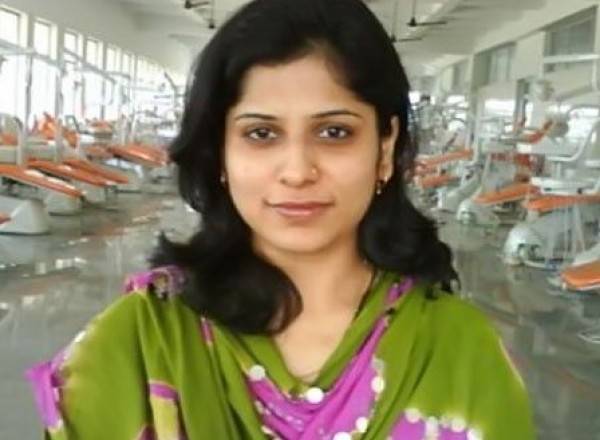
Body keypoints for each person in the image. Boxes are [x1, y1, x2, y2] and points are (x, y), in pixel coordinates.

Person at [26, 0, 535, 438]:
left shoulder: (460, 351)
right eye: (261, 134)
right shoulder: (142, 340)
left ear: (385, 149)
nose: (297, 171)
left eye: (334, 132)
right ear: (220, 152)